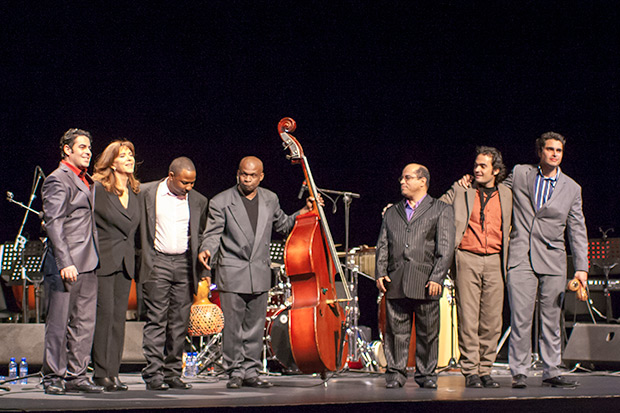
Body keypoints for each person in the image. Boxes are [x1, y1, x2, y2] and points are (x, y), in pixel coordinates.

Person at [198, 156, 313, 389]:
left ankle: (251, 371)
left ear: (261, 176)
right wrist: (207, 249)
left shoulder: (270, 199)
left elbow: (283, 226)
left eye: (252, 175)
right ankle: (234, 371)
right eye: (243, 174)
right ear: (237, 174)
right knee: (233, 327)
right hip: (232, 271)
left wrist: (304, 211)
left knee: (255, 326)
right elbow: (212, 233)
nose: (247, 179)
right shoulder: (221, 201)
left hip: (259, 272)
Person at [503, 132, 588, 389]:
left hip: (553, 259)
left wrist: (581, 269)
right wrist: (470, 184)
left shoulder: (572, 188)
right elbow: (496, 193)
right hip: (521, 255)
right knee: (521, 317)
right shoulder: (520, 173)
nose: (554, 154)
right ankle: (519, 371)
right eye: (549, 149)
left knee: (552, 318)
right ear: (540, 151)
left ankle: (551, 370)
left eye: (558, 150)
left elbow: (577, 229)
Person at [375, 163, 455, 389]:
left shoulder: (440, 209)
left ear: (423, 181)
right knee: (395, 334)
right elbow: (383, 244)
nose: (402, 181)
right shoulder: (392, 212)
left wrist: (437, 277)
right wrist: (380, 272)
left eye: (408, 178)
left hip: (426, 281)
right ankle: (395, 374)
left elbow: (445, 248)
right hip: (396, 280)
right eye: (402, 178)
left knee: (428, 333)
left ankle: (426, 374)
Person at [439, 147, 512, 388]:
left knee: (492, 319)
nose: (477, 169)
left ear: (496, 171)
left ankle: (486, 369)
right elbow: (436, 208)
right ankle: (470, 370)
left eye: (483, 166)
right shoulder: (462, 188)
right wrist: (404, 209)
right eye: (476, 165)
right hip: (467, 257)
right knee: (468, 317)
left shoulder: (507, 194)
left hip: (495, 259)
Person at [138, 156, 209, 391]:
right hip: (157, 261)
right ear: (170, 176)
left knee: (179, 322)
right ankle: (153, 374)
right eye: (184, 183)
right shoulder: (147, 192)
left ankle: (172, 373)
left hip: (184, 264)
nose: (188, 188)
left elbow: (202, 235)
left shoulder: (198, 200)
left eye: (192, 183)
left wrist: (204, 270)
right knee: (157, 319)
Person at [41, 128, 103, 394]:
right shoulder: (58, 179)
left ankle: (77, 375)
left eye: (89, 147)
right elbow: (53, 224)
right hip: (65, 263)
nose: (88, 152)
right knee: (58, 322)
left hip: (88, 260)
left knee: (84, 322)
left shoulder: (86, 179)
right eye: (82, 147)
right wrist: (65, 261)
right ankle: (53, 376)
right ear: (67, 149)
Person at [91, 140, 140, 392]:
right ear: (112, 162)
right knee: (104, 317)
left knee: (118, 320)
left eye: (130, 154)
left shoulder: (135, 192)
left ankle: (113, 371)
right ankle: (100, 373)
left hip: (125, 264)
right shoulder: (99, 189)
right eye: (123, 156)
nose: (129, 158)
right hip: (103, 261)